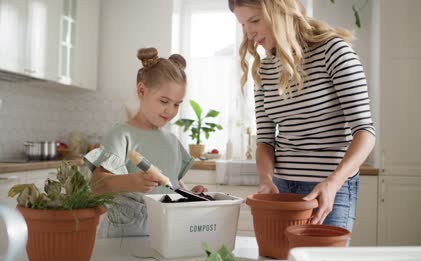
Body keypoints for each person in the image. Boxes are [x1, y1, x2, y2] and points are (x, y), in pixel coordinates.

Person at [229, 0, 376, 234]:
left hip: (329, 189)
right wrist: (266, 180)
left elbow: (365, 132)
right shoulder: (265, 69)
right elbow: (265, 141)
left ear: (281, 12)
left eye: (255, 20)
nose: (249, 32)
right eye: (243, 24)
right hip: (282, 189)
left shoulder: (334, 51)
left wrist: (334, 182)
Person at [84, 47, 207, 237]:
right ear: (142, 90)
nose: (170, 111)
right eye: (164, 101)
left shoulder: (172, 141)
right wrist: (132, 181)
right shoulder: (122, 135)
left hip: (165, 233)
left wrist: (189, 194)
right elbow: (97, 183)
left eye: (176, 104)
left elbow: (170, 185)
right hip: (124, 236)